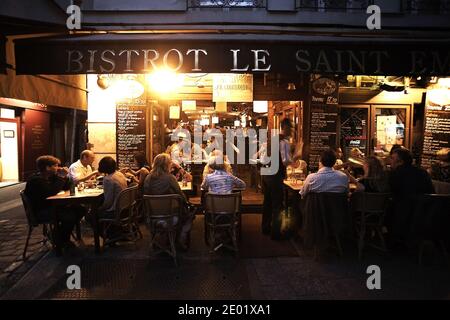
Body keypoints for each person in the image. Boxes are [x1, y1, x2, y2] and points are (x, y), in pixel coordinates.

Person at [25, 155, 85, 250]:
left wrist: (66, 177)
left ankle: (57, 236)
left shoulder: (51, 177)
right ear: (48, 167)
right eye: (56, 165)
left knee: (80, 209)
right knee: (70, 215)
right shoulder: (35, 180)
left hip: (53, 207)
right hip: (41, 211)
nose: (58, 167)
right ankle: (62, 239)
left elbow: (66, 187)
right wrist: (61, 177)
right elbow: (51, 192)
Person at [144, 153, 194, 249]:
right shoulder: (169, 178)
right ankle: (180, 237)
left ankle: (162, 238)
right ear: (166, 165)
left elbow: (146, 195)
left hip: (151, 216)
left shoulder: (148, 178)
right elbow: (180, 195)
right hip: (170, 216)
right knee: (189, 214)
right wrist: (186, 203)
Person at [261, 118, 300, 240]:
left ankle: (265, 227)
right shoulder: (284, 142)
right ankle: (276, 234)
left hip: (266, 174)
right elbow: (285, 161)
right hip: (274, 176)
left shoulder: (272, 139)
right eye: (292, 128)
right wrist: (297, 154)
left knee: (267, 202)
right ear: (286, 127)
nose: (293, 131)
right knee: (278, 205)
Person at [387, 147, 434, 244]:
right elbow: (431, 191)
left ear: (400, 161)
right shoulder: (422, 172)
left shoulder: (395, 173)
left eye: (392, 158)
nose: (389, 160)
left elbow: (390, 191)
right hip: (425, 214)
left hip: (402, 214)